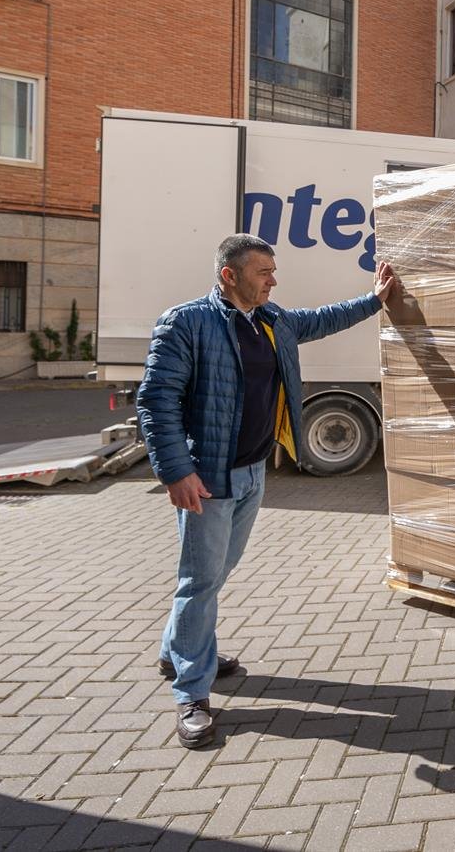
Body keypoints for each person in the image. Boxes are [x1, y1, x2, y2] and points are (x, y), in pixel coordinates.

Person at [138, 233, 399, 748]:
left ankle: (179, 650)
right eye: (264, 272)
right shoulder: (186, 323)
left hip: (252, 472)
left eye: (273, 271)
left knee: (215, 574)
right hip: (207, 478)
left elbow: (324, 319)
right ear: (228, 276)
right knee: (199, 581)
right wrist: (175, 470)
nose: (273, 280)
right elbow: (156, 400)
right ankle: (191, 693)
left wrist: (374, 300)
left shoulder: (272, 321)